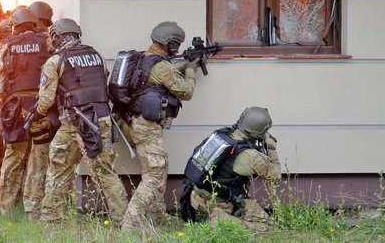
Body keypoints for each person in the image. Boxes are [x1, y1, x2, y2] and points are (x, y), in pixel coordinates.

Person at [32, 18, 128, 223]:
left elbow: (46, 100)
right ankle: (124, 220)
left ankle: (51, 220)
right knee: (105, 171)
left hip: (73, 123)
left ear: (56, 36)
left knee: (58, 169)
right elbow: (104, 82)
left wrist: (38, 113)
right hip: (101, 118)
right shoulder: (96, 55)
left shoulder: (55, 61)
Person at [119, 21, 198, 230]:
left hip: (132, 122)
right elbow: (186, 91)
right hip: (147, 127)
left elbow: (158, 80)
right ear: (170, 44)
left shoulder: (143, 59)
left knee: (157, 170)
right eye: (176, 44)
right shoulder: (161, 66)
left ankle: (157, 216)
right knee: (154, 175)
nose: (178, 49)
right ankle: (130, 224)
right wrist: (191, 69)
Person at [0, 8, 53, 219]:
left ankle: (7, 209)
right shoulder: (46, 43)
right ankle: (33, 210)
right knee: (39, 159)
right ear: (34, 24)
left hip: (16, 109)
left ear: (14, 25)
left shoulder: (4, 49)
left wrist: (12, 100)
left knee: (13, 158)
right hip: (40, 109)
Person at [180, 107, 280, 232]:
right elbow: (275, 178)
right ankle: (222, 220)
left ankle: (212, 215)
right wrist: (271, 148)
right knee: (267, 227)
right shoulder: (251, 155)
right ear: (262, 131)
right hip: (220, 204)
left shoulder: (222, 135)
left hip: (195, 196)